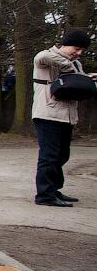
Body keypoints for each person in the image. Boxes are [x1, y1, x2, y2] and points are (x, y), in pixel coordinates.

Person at [32, 30, 95, 207]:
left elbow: (77, 79)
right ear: (66, 44)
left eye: (83, 50)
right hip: (47, 114)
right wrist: (69, 67)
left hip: (67, 116)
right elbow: (42, 57)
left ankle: (54, 189)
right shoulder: (47, 57)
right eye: (77, 48)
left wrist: (87, 78)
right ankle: (44, 195)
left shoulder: (76, 64)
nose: (79, 53)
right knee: (49, 156)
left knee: (61, 155)